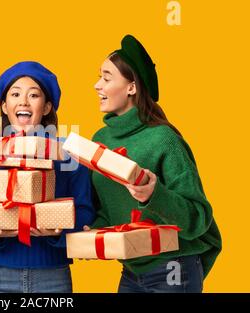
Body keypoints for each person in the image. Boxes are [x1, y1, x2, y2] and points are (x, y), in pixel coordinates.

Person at [87, 34, 222, 293]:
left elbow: (198, 217)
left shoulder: (164, 140)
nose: (96, 85)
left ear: (132, 87)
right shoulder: (100, 141)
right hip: (132, 269)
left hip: (173, 268)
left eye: (106, 78)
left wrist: (153, 194)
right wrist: (91, 231)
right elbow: (109, 208)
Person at [0, 61, 95, 293]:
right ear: (3, 105)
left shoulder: (68, 155)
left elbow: (85, 209)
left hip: (53, 273)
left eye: (34, 95)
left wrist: (59, 232)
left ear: (47, 107)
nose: (23, 101)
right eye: (15, 94)